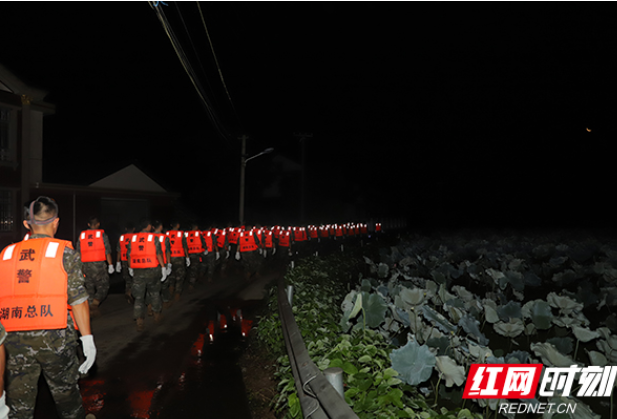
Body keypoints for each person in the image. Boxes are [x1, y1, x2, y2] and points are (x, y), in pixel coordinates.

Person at [0, 196, 96, 419]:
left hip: (13, 341)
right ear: (56, 222)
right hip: (56, 340)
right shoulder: (65, 253)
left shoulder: (6, 254)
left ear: (27, 224)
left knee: (18, 407)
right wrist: (87, 340)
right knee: (67, 398)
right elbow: (78, 300)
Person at [127, 218, 166, 331]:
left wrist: (130, 267)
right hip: (152, 269)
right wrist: (163, 267)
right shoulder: (154, 238)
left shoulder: (133, 238)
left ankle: (139, 321)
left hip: (138, 270)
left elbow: (129, 254)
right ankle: (157, 316)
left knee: (138, 297)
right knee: (154, 293)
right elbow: (159, 253)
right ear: (149, 226)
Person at [76, 216, 113, 312]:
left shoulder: (82, 235)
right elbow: (107, 250)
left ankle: (90, 307)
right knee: (103, 285)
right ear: (98, 224)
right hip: (99, 265)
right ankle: (96, 302)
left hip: (85, 265)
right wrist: (110, 265)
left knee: (89, 286)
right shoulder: (102, 235)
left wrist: (79, 266)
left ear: (88, 224)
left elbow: (78, 252)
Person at [166, 221, 189, 303]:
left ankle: (171, 288)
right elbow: (185, 246)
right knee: (180, 276)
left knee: (171, 274)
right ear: (178, 225)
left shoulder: (167, 233)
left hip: (169, 257)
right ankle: (177, 293)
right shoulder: (181, 234)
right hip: (179, 257)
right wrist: (187, 257)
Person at [115, 222, 136, 304]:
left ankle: (128, 294)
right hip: (134, 261)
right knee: (135, 279)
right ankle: (130, 292)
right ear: (134, 229)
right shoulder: (136, 237)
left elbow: (119, 250)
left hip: (124, 260)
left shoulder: (122, 237)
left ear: (126, 229)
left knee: (127, 279)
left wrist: (118, 262)